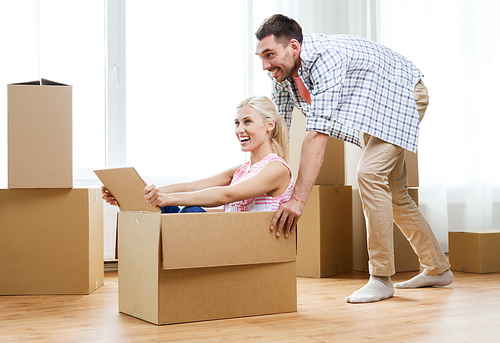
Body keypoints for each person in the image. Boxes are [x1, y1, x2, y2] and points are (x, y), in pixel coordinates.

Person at [254, 14, 453, 303]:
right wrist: (262, 172)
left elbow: (316, 135)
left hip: (404, 94)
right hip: (375, 105)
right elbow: (279, 131)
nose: (265, 65)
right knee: (395, 194)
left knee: (369, 174)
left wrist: (297, 201)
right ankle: (438, 267)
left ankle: (381, 278)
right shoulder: (282, 76)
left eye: (269, 55)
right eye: (261, 56)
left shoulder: (326, 58)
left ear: (293, 47)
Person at [102, 95, 294, 214]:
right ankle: (134, 202)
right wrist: (142, 193)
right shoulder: (242, 170)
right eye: (237, 123)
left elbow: (227, 195)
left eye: (247, 122)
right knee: (161, 206)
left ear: (270, 125)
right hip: (234, 235)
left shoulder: (276, 168)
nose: (240, 130)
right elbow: (190, 187)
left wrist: (167, 198)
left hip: (250, 241)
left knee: (190, 210)